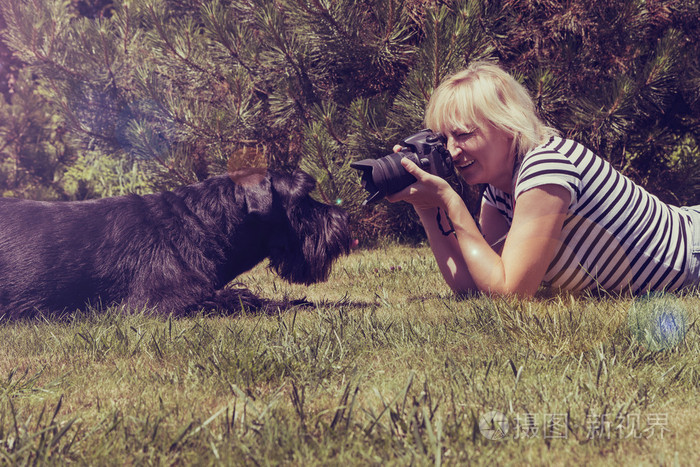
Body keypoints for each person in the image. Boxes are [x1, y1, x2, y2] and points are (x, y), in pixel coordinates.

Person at [387, 61, 700, 297]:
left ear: (507, 124)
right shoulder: (499, 192)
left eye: (464, 134)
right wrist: (428, 209)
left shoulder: (545, 167)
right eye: (445, 139)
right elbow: (479, 285)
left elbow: (512, 292)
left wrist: (452, 203)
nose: (453, 152)